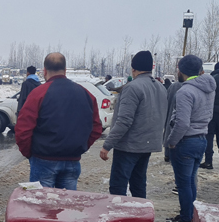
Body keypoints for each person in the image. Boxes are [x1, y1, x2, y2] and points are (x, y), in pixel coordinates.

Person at [15, 53, 102, 189]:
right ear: (65, 70)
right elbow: (96, 127)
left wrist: (29, 153)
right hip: (72, 161)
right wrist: (80, 147)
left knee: (41, 207)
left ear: (44, 71)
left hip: (43, 160)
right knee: (66, 207)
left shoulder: (38, 94)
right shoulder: (85, 94)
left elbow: (23, 128)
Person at [99, 51, 168, 198]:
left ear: (133, 69)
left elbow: (124, 120)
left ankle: (120, 218)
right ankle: (140, 217)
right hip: (147, 145)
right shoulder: (160, 88)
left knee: (118, 186)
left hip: (128, 146)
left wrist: (107, 145)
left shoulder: (132, 88)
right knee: (138, 184)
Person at [163, 55, 216, 222]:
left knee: (184, 183)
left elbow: (182, 123)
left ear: (181, 70)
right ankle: (189, 214)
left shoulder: (185, 92)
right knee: (191, 181)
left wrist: (171, 142)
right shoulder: (208, 89)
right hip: (202, 139)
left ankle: (186, 219)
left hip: (186, 141)